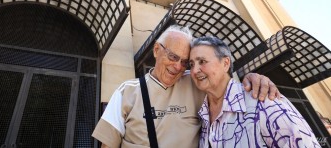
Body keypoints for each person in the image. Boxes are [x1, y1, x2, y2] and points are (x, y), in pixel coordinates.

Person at [92, 25, 280, 148]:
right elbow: (108, 145)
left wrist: (252, 78)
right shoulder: (127, 90)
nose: (177, 67)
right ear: (157, 50)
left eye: (185, 62)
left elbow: (225, 84)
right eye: (173, 57)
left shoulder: (196, 83)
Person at [189, 36, 321, 147]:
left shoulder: (264, 100)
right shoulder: (203, 115)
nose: (195, 71)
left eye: (202, 61)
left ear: (225, 63)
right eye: (192, 64)